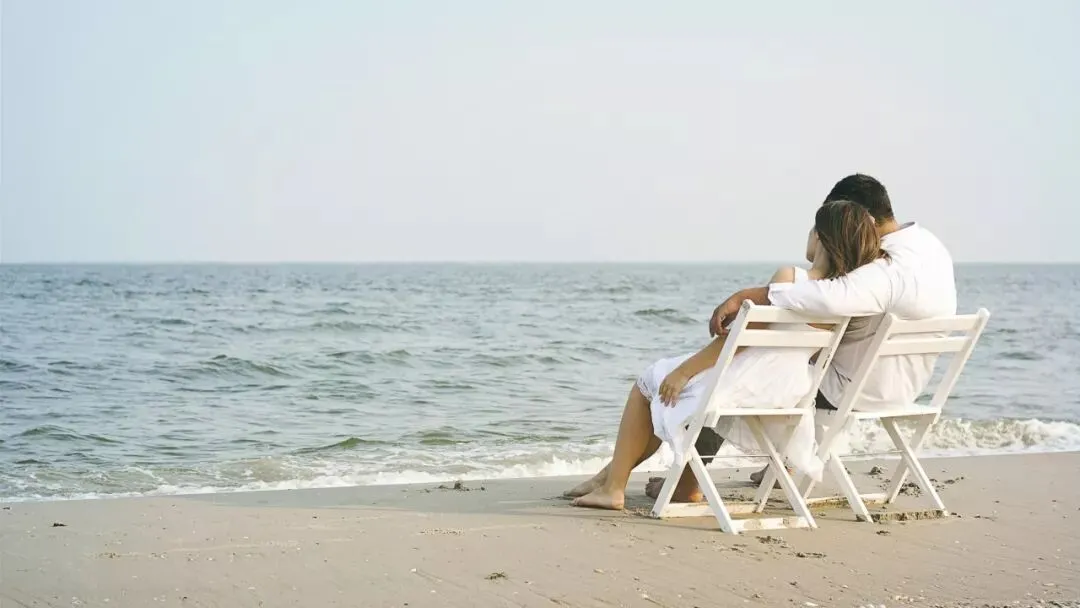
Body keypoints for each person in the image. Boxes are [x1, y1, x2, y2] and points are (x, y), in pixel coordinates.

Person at [644, 173, 957, 504]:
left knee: (742, 372)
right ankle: (785, 463)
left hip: (855, 390)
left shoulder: (886, 268)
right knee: (789, 353)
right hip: (906, 385)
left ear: (862, 218)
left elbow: (828, 297)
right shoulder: (928, 246)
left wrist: (750, 295)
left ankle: (688, 481)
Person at [564, 200, 887, 510]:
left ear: (820, 237)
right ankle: (612, 477)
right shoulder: (846, 298)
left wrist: (684, 372)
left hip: (748, 383)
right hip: (787, 392)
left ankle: (614, 487)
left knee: (649, 382)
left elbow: (740, 341)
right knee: (667, 385)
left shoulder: (791, 277)